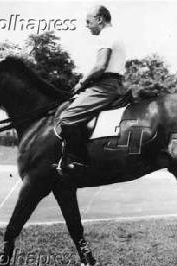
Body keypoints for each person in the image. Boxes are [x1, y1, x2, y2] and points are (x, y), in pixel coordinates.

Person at [57, 5, 126, 173]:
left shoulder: (106, 35)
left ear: (99, 19)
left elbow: (100, 66)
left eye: (88, 21)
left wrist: (82, 83)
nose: (87, 25)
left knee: (66, 117)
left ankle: (79, 162)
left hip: (105, 86)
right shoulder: (115, 34)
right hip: (111, 83)